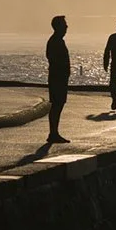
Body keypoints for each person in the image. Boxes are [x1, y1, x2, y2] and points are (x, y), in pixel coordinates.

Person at [45, 14, 71, 144]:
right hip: (57, 78)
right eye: (64, 25)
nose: (67, 27)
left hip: (59, 77)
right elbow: (54, 59)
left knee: (59, 104)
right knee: (57, 105)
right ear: (58, 27)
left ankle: (54, 132)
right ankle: (53, 133)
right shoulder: (55, 41)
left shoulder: (58, 40)